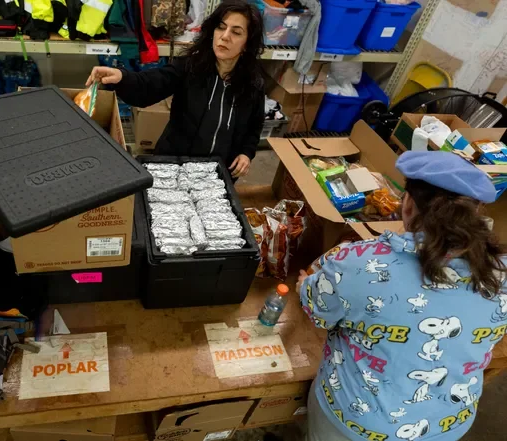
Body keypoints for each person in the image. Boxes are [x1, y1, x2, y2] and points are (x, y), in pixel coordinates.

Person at [296, 151, 506, 441]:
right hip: (445, 428)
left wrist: (306, 285)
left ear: (406, 205)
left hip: (357, 424)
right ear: (479, 209)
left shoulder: (359, 263)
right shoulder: (501, 270)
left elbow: (316, 309)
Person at [85, 0, 265, 178]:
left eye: (236, 32)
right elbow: (151, 84)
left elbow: (254, 125)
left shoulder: (253, 83)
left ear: (248, 43)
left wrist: (246, 153)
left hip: (218, 175)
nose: (225, 36)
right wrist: (122, 77)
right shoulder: (190, 67)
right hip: (174, 167)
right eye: (221, 27)